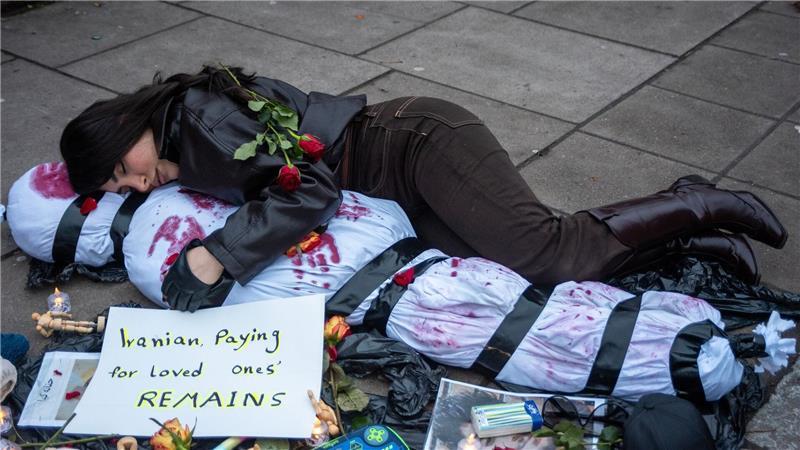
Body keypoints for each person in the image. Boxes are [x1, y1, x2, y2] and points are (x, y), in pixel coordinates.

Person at [59, 65, 787, 311]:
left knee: (546, 253)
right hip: (393, 185)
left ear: (124, 122)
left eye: (122, 166)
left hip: (415, 144)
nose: (132, 182)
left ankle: (696, 198)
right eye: (119, 186)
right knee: (525, 272)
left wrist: (217, 253)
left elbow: (308, 189)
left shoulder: (196, 116)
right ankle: (695, 241)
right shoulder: (181, 137)